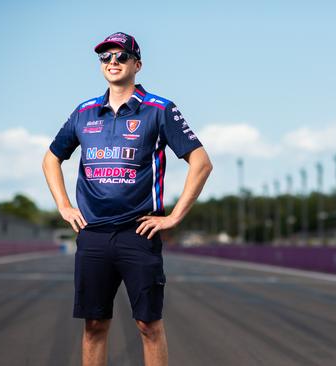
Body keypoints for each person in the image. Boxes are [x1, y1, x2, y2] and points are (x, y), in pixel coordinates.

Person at [42, 32, 213, 366]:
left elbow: (201, 162)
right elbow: (51, 158)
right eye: (105, 57)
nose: (113, 62)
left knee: (148, 325)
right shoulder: (84, 112)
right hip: (93, 234)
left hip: (139, 234)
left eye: (121, 56)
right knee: (94, 325)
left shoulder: (160, 109)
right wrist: (63, 205)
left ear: (137, 64)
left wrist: (174, 216)